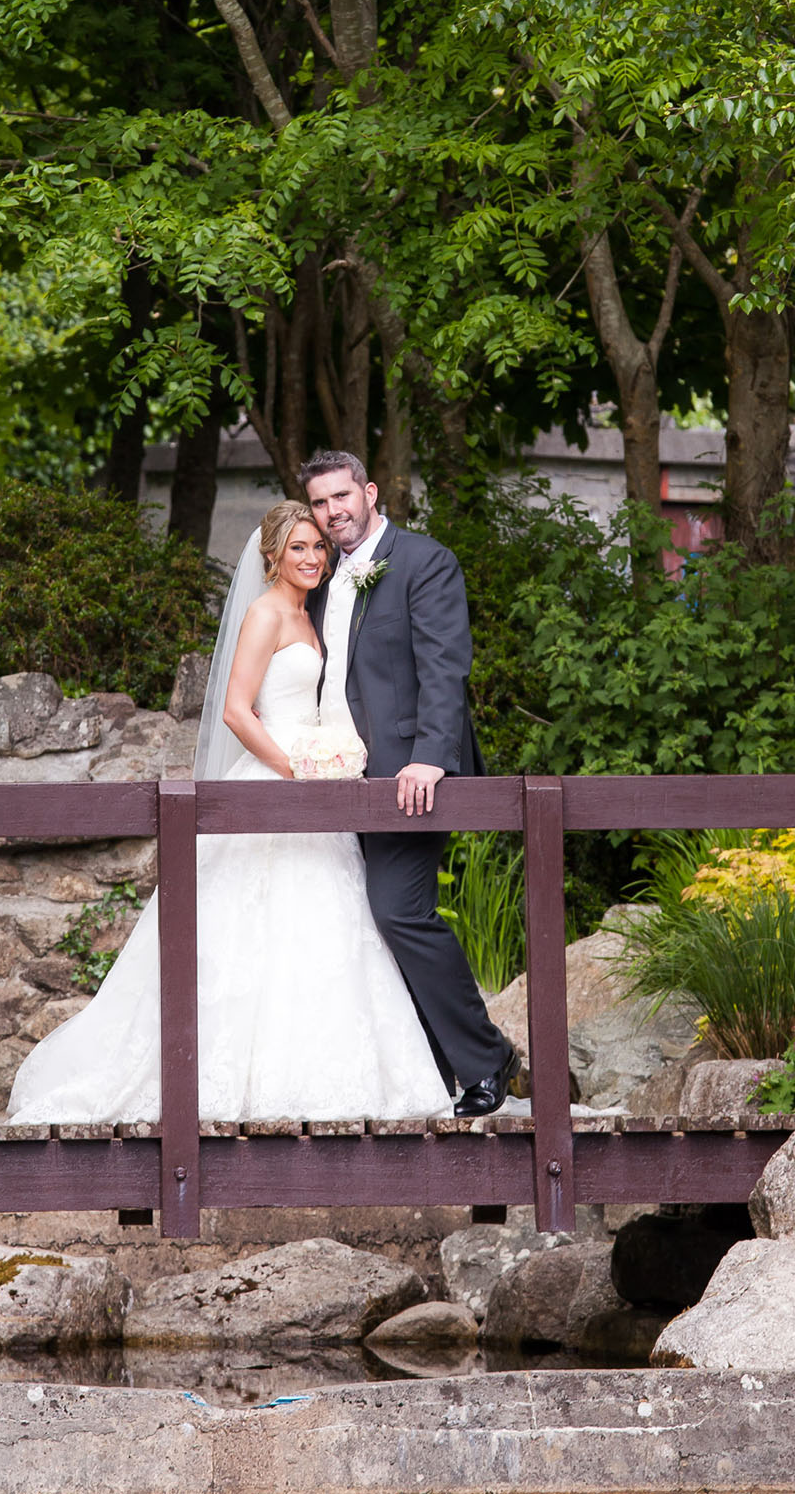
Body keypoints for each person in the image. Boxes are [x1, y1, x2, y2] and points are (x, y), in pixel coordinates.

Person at [6, 501, 452, 1124]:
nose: (312, 557)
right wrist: (297, 769)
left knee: (326, 932)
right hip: (273, 782)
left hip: (318, 797)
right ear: (272, 554)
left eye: (318, 547)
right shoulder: (266, 613)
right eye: (298, 547)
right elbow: (238, 711)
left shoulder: (312, 611)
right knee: (246, 935)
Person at [300, 449, 519, 1117]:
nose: (333, 511)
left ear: (369, 492)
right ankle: (427, 1062)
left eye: (343, 496)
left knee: (400, 910)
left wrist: (431, 757)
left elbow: (446, 665)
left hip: (406, 779)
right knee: (363, 920)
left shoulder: (424, 561)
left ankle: (487, 1058)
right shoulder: (319, 579)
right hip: (338, 780)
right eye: (319, 502)